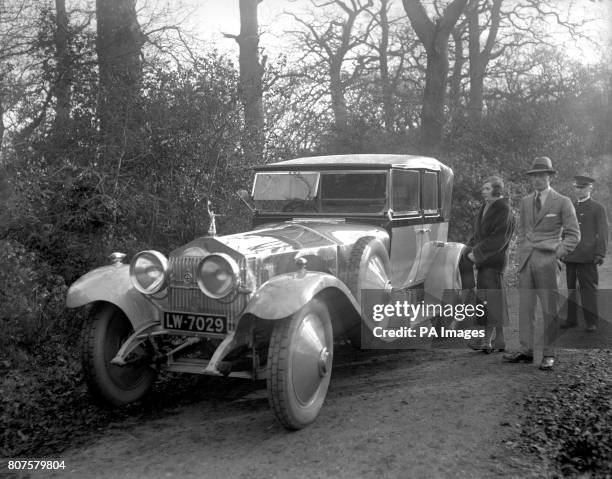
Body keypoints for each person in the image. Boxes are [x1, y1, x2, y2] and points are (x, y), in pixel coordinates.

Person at [504, 156, 580, 370]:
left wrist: (558, 252)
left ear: (550, 176)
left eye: (542, 175)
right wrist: (520, 253)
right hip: (526, 261)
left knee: (549, 310)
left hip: (548, 262)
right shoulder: (526, 201)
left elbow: (574, 234)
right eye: (534, 176)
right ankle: (527, 350)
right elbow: (521, 231)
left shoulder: (562, 201)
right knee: (525, 309)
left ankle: (549, 353)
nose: (537, 179)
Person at [466, 176, 515, 353]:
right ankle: (498, 340)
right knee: (492, 299)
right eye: (484, 188)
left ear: (497, 190)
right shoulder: (485, 206)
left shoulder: (504, 209)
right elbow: (477, 234)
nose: (483, 191)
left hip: (494, 261)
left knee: (490, 300)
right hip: (483, 261)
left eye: (487, 188)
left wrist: (477, 253)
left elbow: (499, 239)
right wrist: (468, 249)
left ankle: (485, 340)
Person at [560, 175, 608, 332]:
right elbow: (565, 230)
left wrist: (600, 253)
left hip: (588, 256)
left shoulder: (597, 208)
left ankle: (591, 322)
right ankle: (571, 319)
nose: (578, 190)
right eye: (576, 187)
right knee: (571, 289)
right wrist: (562, 249)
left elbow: (603, 232)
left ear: (590, 188)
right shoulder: (570, 207)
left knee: (588, 290)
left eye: (582, 187)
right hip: (571, 255)